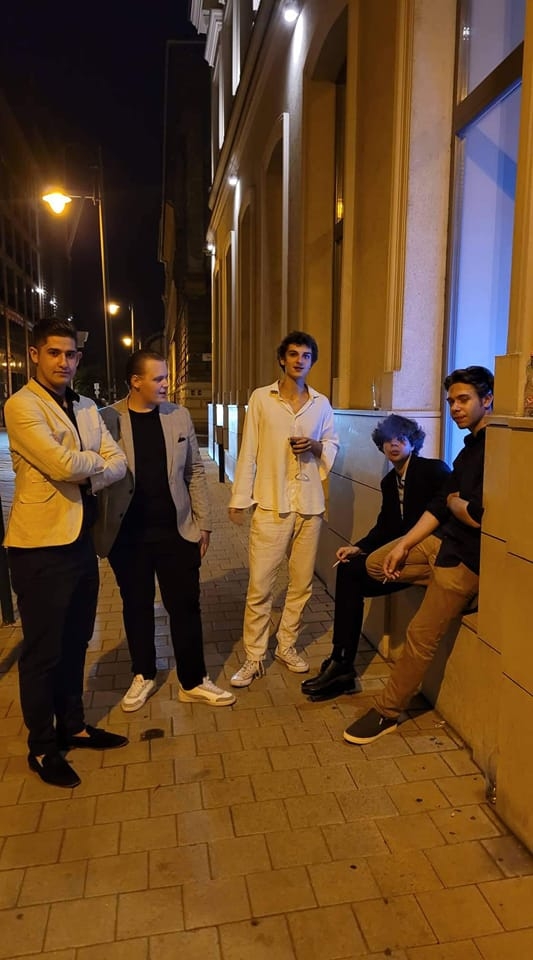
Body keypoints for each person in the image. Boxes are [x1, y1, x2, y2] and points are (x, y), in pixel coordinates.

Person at [4, 318, 129, 789]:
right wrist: (92, 465)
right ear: (35, 354)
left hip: (80, 542)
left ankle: (73, 726)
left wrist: (85, 467)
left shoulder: (87, 407)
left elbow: (118, 462)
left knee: (77, 641)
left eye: (71, 353)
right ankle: (42, 746)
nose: (64, 361)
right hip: (38, 547)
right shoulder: (21, 405)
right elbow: (61, 464)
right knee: (43, 653)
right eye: (54, 352)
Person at [343, 365, 493, 745]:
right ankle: (454, 593)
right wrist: (405, 545)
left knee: (420, 633)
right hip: (443, 545)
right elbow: (443, 504)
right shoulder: (469, 449)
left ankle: (387, 711)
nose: (455, 408)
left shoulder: (496, 447)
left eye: (464, 400)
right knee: (374, 564)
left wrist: (458, 505)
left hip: (465, 559)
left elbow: (478, 515)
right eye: (451, 401)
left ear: (488, 399)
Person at [92, 350, 235, 711]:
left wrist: (204, 524)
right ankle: (143, 674)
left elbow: (194, 471)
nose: (166, 384)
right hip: (129, 537)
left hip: (177, 532)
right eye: (158, 378)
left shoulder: (178, 415)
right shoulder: (107, 419)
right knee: (136, 605)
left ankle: (193, 680)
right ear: (135, 381)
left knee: (185, 607)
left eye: (166, 377)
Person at [301, 415, 450, 701]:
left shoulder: (433, 470)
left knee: (352, 574)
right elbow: (386, 527)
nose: (393, 445)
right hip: (403, 558)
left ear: (413, 442)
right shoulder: (389, 481)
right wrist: (358, 548)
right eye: (388, 440)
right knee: (348, 568)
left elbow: (445, 514)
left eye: (401, 439)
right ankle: (341, 660)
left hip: (432, 558)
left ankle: (342, 665)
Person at [228, 331, 339, 687]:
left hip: (309, 505)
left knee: (301, 584)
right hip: (271, 503)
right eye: (293, 354)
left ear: (312, 362)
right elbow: (249, 450)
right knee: (260, 585)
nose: (299, 360)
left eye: (306, 356)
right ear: (282, 359)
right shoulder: (262, 398)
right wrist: (239, 499)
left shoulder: (321, 403)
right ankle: (254, 656)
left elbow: (333, 445)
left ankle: (287, 645)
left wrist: (316, 446)